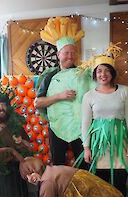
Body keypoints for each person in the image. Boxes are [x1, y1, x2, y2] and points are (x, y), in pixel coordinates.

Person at [77, 43, 128, 196]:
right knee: (101, 187)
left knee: (119, 184)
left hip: (120, 143)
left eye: (107, 70)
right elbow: (85, 123)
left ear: (112, 73)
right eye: (99, 71)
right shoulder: (88, 96)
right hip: (99, 147)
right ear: (95, 74)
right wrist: (86, 147)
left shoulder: (124, 92)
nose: (103, 74)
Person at [34, 17, 94, 167]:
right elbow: (38, 102)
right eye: (66, 53)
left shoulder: (83, 74)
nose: (70, 56)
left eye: (73, 53)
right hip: (57, 127)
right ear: (58, 54)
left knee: (84, 165)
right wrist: (59, 96)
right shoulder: (49, 76)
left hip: (81, 127)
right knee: (58, 165)